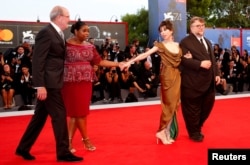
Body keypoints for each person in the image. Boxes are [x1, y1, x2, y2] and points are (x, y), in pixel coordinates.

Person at [15, 6, 83, 162]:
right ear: (59, 17)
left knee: (39, 118)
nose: (69, 19)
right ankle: (63, 152)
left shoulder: (57, 33)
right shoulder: (46, 33)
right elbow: (38, 60)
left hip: (54, 82)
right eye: (67, 16)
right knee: (59, 116)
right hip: (49, 84)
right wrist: (40, 85)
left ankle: (22, 148)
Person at [124, 20, 191, 145]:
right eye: (161, 31)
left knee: (175, 105)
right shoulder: (160, 46)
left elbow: (179, 60)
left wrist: (186, 58)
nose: (163, 32)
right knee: (169, 105)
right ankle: (161, 131)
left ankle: (166, 132)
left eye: (165, 29)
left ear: (171, 30)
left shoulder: (178, 45)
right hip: (167, 76)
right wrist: (129, 62)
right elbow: (144, 55)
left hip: (177, 75)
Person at [62, 20, 124, 153]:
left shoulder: (90, 46)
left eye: (88, 31)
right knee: (77, 113)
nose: (87, 33)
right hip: (70, 82)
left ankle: (68, 142)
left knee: (79, 113)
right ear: (75, 31)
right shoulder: (64, 44)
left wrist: (118, 64)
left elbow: (100, 61)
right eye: (84, 31)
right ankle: (86, 140)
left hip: (85, 82)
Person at [179, 16, 220, 142]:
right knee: (192, 110)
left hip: (209, 82)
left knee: (208, 106)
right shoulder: (185, 42)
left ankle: (196, 126)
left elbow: (213, 60)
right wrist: (199, 64)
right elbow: (183, 60)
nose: (201, 28)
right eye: (198, 26)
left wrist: (217, 73)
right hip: (192, 83)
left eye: (202, 25)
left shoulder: (207, 41)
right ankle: (194, 132)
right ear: (191, 28)